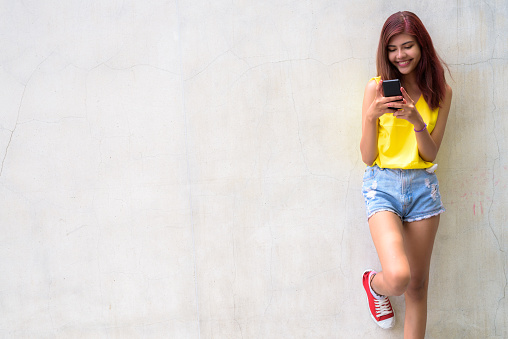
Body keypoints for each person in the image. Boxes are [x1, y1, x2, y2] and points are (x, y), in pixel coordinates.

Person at [360, 11, 452, 338]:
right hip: (382, 185)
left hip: (423, 188)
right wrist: (371, 118)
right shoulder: (376, 89)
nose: (400, 55)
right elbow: (367, 156)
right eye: (392, 48)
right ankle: (373, 283)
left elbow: (430, 154)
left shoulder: (441, 92)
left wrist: (416, 120)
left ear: (422, 46)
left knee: (417, 285)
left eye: (408, 46)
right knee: (398, 277)